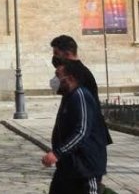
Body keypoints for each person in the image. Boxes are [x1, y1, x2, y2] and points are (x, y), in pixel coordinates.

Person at [42, 59, 108, 194]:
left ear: (70, 78)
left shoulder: (81, 95)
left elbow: (82, 131)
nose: (55, 80)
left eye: (58, 76)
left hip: (85, 169)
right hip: (68, 168)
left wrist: (57, 153)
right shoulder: (69, 96)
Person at [49, 34, 112, 145]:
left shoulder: (77, 73)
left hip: (87, 143)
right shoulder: (75, 70)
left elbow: (83, 126)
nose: (54, 58)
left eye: (56, 54)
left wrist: (59, 152)